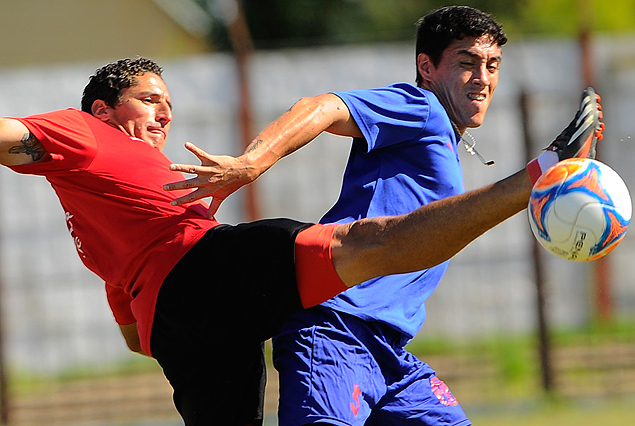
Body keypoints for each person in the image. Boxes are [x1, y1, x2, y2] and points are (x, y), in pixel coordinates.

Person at [0, 51, 599, 426]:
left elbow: (135, 337)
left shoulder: (89, 218)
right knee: (365, 247)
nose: (165, 116)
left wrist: (211, 327)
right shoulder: (82, 132)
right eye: (150, 100)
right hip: (205, 265)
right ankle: (533, 179)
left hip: (176, 326)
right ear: (103, 110)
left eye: (169, 105)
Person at [164, 6, 604, 426]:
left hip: (390, 353)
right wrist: (252, 162)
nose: (483, 78)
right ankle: (544, 167)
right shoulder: (423, 107)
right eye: (467, 62)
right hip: (335, 328)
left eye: (492, 65)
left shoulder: (441, 137)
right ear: (427, 67)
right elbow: (322, 106)